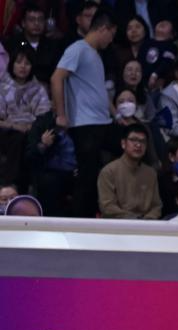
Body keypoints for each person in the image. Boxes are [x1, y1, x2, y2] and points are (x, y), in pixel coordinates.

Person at [50, 8, 116, 218]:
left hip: (102, 122)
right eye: (112, 34)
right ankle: (80, 221)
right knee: (87, 176)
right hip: (85, 123)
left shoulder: (95, 54)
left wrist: (117, 115)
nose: (111, 40)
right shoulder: (77, 49)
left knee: (101, 167)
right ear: (104, 29)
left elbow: (99, 89)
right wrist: (61, 114)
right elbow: (56, 78)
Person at [0, 47, 50, 186]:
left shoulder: (38, 88)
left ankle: (28, 186)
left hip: (32, 130)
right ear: (12, 64)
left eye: (27, 63)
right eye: (19, 62)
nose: (23, 66)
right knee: (18, 138)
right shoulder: (2, 87)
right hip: (8, 130)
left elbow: (44, 115)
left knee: (36, 140)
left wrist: (31, 127)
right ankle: (11, 185)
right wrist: (16, 126)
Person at [97, 123, 162, 220]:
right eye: (133, 140)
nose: (138, 145)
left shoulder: (151, 173)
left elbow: (156, 206)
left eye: (142, 141)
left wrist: (147, 220)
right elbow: (107, 207)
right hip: (118, 224)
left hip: (146, 223)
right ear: (123, 143)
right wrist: (134, 220)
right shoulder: (109, 171)